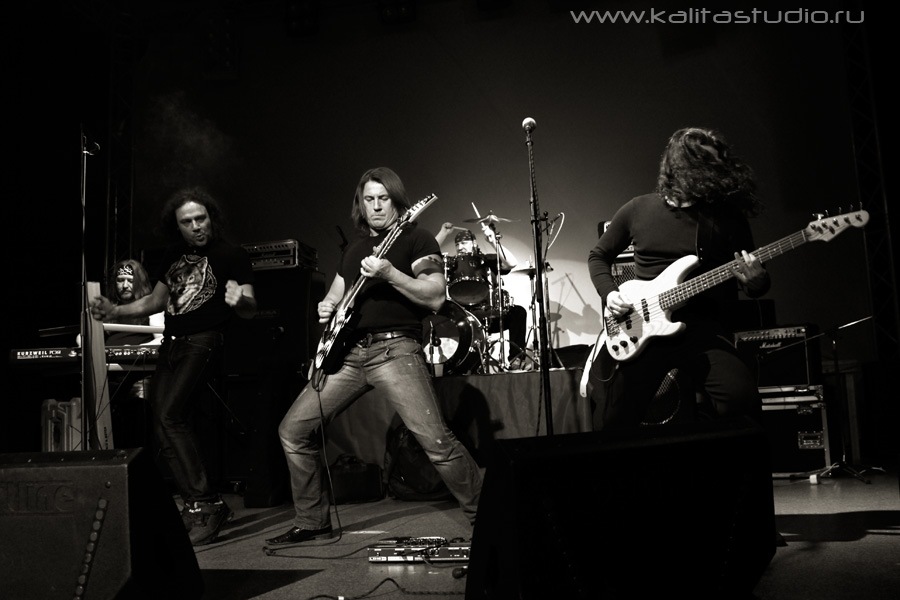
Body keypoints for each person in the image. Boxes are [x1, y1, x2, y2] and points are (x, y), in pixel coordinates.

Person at [267, 167, 482, 545]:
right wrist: (326, 306)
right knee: (293, 431)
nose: (377, 206)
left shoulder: (417, 239)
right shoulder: (353, 248)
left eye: (384, 198)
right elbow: (337, 294)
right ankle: (313, 520)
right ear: (360, 204)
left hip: (395, 350)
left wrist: (390, 274)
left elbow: (435, 296)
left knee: (437, 442)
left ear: (397, 202)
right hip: (349, 355)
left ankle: (489, 517)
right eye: (369, 199)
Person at [90, 186, 257, 546]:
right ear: (177, 226)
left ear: (211, 218)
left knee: (171, 416)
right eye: (188, 222)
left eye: (201, 218)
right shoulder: (173, 255)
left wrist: (240, 300)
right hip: (172, 344)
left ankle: (206, 503)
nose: (197, 226)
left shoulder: (231, 255)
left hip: (204, 341)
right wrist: (115, 310)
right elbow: (154, 301)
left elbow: (250, 306)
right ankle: (197, 505)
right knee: (161, 425)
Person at [586, 127, 770, 432]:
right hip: (644, 330)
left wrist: (756, 279)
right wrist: (610, 294)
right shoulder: (637, 209)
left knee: (742, 402)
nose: (716, 172)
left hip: (704, 331)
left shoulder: (726, 217)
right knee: (612, 420)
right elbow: (598, 256)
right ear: (683, 167)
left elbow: (756, 284)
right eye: (708, 164)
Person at [435, 222, 531, 371]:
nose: (460, 247)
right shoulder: (452, 263)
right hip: (463, 318)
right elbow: (428, 256)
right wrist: (443, 233)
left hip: (490, 314)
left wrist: (493, 241)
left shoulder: (486, 260)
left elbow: (511, 263)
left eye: (464, 243)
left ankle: (515, 360)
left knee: (518, 312)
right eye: (457, 244)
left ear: (474, 243)